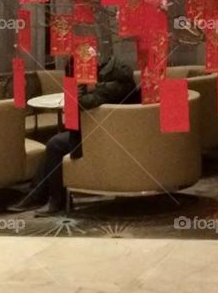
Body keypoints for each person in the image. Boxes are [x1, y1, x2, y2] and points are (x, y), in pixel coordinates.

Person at [10, 55, 139, 215]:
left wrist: (80, 90)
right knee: (55, 143)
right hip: (109, 133)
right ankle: (37, 194)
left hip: (105, 138)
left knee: (55, 144)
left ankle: (54, 199)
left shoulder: (114, 86)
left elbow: (85, 102)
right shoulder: (122, 80)